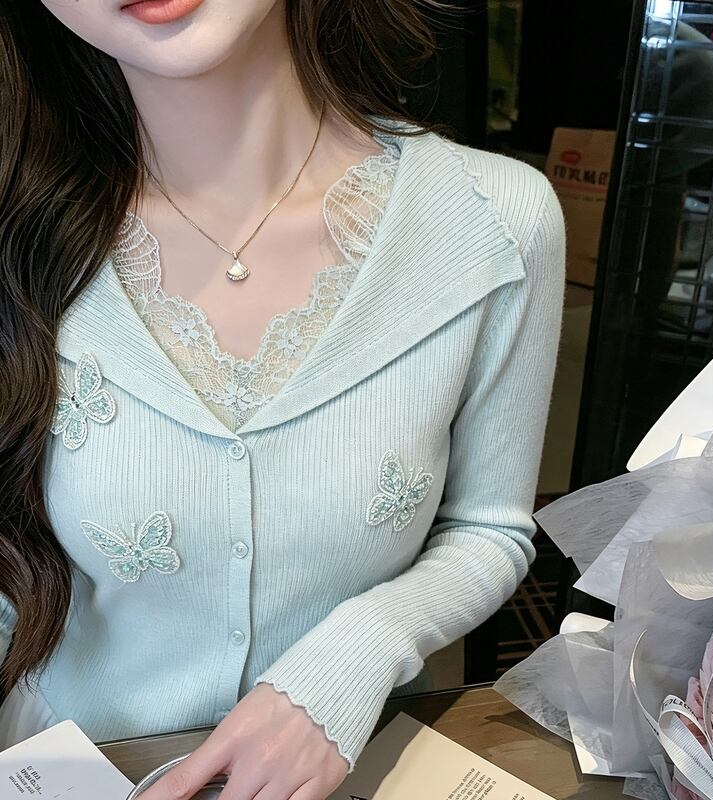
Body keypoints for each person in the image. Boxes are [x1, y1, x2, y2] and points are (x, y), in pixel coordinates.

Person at [0, 1, 566, 799]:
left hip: (352, 768)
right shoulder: (16, 231)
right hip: (69, 768)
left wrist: (354, 658)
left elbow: (489, 528)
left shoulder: (495, 221)